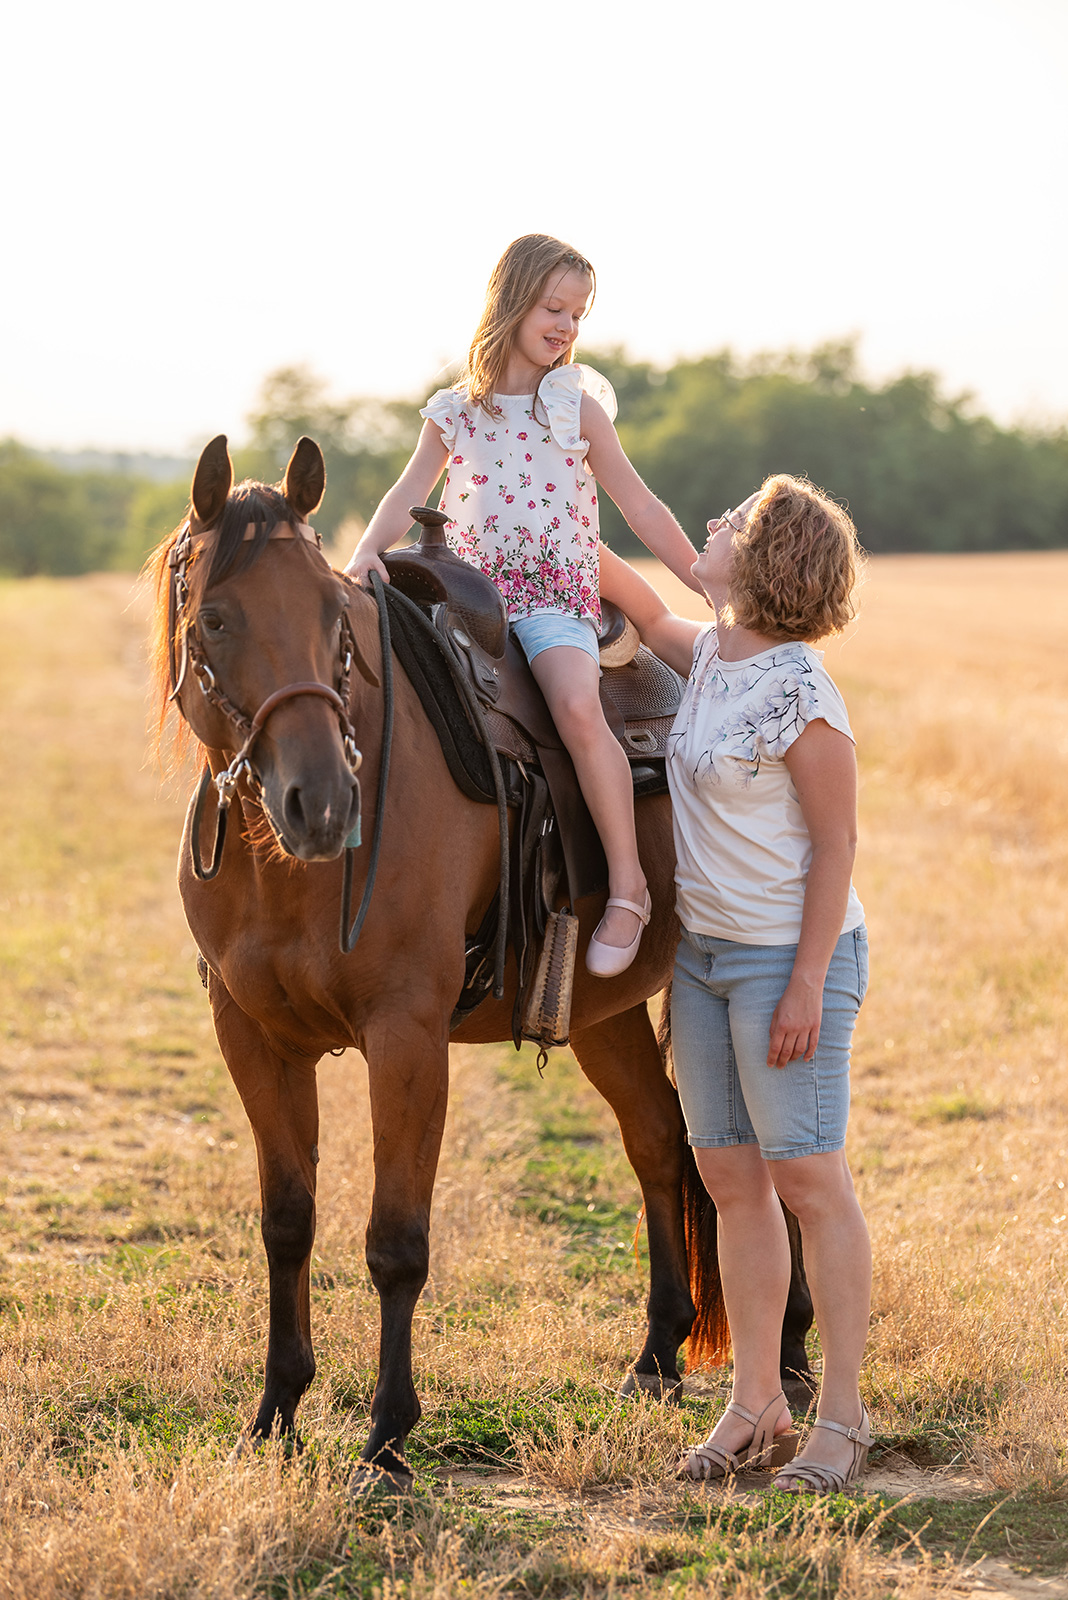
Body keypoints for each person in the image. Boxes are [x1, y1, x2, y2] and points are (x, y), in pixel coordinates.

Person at [599, 475, 872, 1493]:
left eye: (733, 522)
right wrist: (537, 482)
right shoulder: (710, 656)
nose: (710, 525)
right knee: (728, 1180)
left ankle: (840, 1416)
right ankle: (756, 1402)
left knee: (808, 1179)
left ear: (766, 562)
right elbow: (618, 583)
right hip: (706, 961)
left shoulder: (800, 689)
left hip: (788, 961)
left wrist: (806, 982)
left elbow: (838, 843)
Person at [345, 234, 701, 975]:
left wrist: (697, 573)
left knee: (575, 707)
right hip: (466, 596)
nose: (568, 326)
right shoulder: (455, 412)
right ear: (511, 302)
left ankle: (629, 890)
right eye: (554, 307)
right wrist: (365, 554)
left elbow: (637, 503)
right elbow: (409, 492)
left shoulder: (574, 407)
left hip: (548, 596)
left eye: (578, 314)